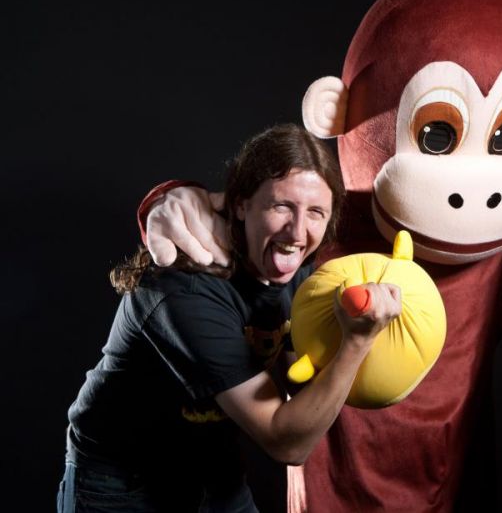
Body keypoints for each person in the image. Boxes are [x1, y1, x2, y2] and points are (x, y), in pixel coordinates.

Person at [58, 123, 402, 512]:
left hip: (211, 465)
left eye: (315, 212)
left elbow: (300, 379)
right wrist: (357, 340)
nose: (297, 231)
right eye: (281, 206)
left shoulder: (299, 271)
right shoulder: (185, 289)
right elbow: (287, 443)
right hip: (122, 480)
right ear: (240, 204)